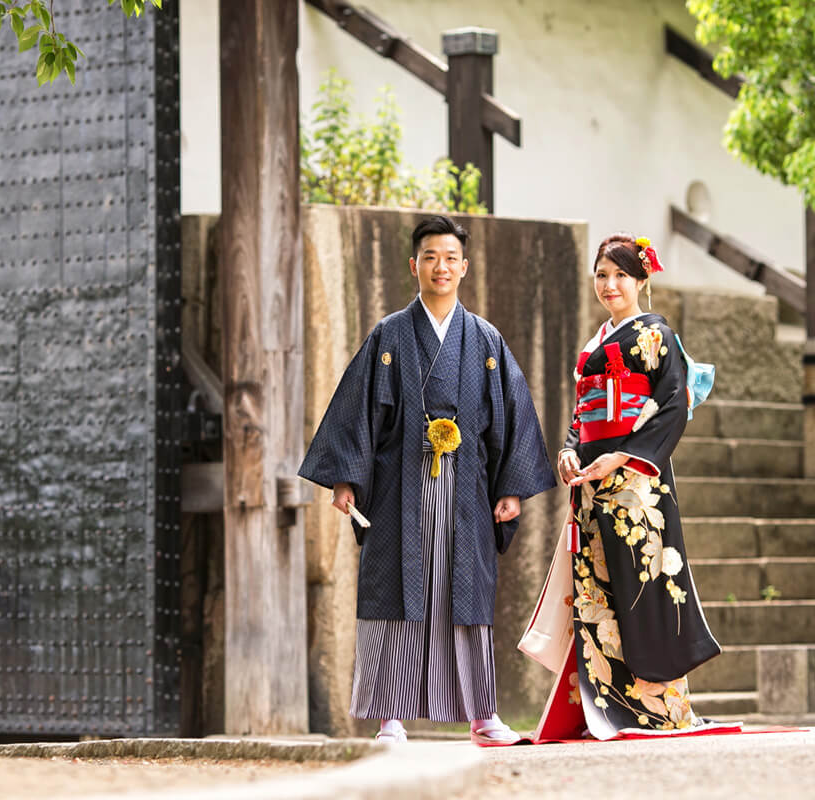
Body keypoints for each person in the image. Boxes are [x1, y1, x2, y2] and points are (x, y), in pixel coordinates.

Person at [298, 215, 557, 746]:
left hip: (467, 489)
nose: (441, 267)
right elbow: (358, 411)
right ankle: (389, 718)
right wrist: (346, 478)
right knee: (395, 592)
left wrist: (510, 487)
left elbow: (511, 415)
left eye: (450, 258)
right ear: (414, 265)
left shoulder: (484, 340)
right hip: (399, 491)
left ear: (464, 267)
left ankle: (483, 715)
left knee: (466, 594)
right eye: (430, 257)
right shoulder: (389, 336)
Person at [519, 233, 735, 741]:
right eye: (602, 275)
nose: (610, 285)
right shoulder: (594, 344)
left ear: (642, 280)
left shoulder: (657, 335)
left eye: (620, 275)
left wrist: (625, 455)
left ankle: (663, 707)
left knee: (647, 587)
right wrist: (571, 448)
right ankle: (611, 703)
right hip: (592, 486)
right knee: (596, 589)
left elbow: (674, 403)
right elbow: (582, 415)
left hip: (637, 484)